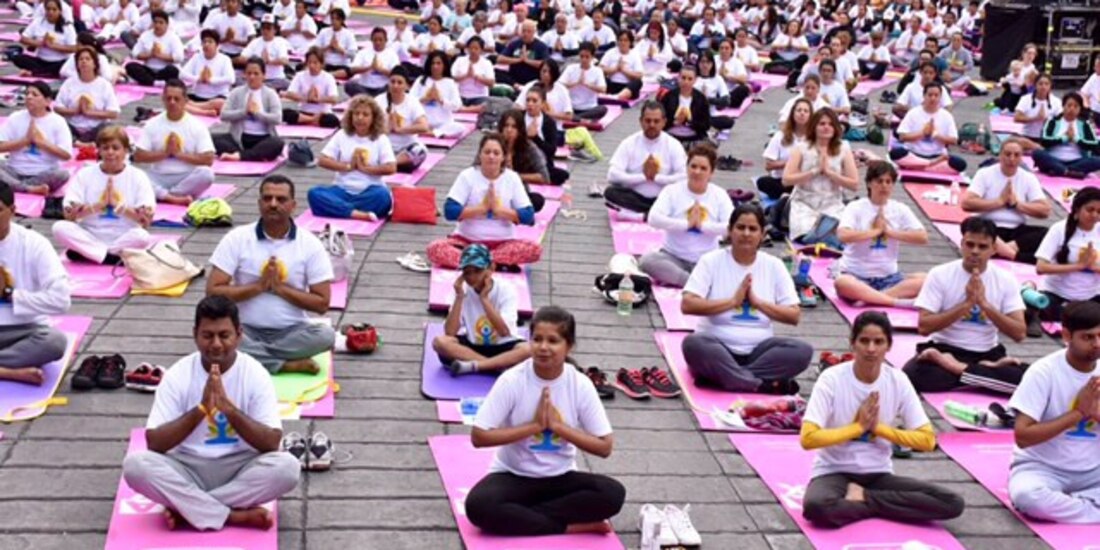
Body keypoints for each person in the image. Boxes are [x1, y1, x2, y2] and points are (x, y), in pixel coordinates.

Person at [121, 295, 300, 532]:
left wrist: (230, 410)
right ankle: (232, 516)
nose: (216, 344)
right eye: (207, 335)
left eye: (224, 335)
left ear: (239, 335)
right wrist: (201, 409)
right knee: (135, 466)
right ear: (195, 335)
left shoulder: (255, 374)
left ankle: (188, 509)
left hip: (240, 467)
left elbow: (271, 442)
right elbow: (155, 443)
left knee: (287, 468)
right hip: (187, 467)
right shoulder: (178, 374)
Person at [464, 305, 625, 536]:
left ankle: (521, 517)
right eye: (537, 339)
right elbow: (479, 437)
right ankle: (568, 526)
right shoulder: (512, 380)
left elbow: (604, 447)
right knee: (479, 507)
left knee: (612, 494)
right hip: (513, 475)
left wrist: (557, 427)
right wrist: (535, 426)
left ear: (569, 345)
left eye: (553, 341)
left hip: (561, 477)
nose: (543, 347)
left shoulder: (580, 384)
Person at [800, 311, 965, 528]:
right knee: (816, 506)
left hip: (878, 475)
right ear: (852, 343)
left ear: (888, 346)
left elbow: (927, 440)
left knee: (951, 502)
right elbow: (808, 438)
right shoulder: (831, 379)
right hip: (834, 471)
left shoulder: (897, 380)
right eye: (864, 341)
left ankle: (865, 499)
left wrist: (878, 429)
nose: (871, 349)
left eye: (878, 342)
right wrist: (858, 428)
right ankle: (884, 505)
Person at [207, 175, 336, 375]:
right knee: (214, 334)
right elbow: (212, 292)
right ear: (259, 203)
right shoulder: (237, 238)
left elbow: (322, 303)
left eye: (281, 199)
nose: (273, 204)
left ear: (293, 205)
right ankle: (284, 364)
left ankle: (252, 357)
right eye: (267, 199)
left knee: (326, 336)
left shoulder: (310, 244)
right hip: (244, 329)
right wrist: (258, 287)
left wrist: (279, 288)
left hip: (292, 331)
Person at [680, 202, 812, 394]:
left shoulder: (774, 265)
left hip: (759, 353)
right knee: (694, 344)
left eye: (753, 229)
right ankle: (759, 384)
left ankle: (726, 378)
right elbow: (687, 304)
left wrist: (758, 303)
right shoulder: (711, 261)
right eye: (740, 227)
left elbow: (794, 315)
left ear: (762, 234)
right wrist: (732, 302)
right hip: (718, 348)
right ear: (729, 231)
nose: (746, 233)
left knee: (801, 351)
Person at [902, 216, 1029, 394]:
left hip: (988, 353)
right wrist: (966, 304)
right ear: (961, 244)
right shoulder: (940, 274)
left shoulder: (1006, 280)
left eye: (982, 247)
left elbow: (1019, 333)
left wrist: (984, 304)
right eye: (970, 245)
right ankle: (984, 375)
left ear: (994, 249)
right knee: (914, 375)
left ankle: (958, 369)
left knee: (1028, 379)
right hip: (946, 348)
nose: (975, 251)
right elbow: (924, 327)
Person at [1008, 300, 1100, 524]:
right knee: (1028, 497)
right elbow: (1023, 437)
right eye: (1088, 337)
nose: (1097, 344)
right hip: (1043, 468)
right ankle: (1091, 508)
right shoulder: (1043, 372)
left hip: (1094, 471)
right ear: (1067, 336)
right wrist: (1078, 413)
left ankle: (1081, 506)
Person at [426, 133, 541, 269]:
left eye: (496, 153)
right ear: (480, 155)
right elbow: (449, 211)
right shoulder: (467, 176)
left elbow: (528, 215)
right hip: (466, 242)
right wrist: (482, 208)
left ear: (503, 157)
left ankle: (476, 261)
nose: (491, 156)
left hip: (503, 244)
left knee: (534, 249)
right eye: (487, 152)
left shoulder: (512, 178)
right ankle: (491, 262)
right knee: (435, 248)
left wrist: (499, 210)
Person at [52, 126, 155, 266]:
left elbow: (146, 221)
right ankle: (110, 257)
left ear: (126, 151)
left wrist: (119, 206)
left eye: (115, 148)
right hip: (90, 234)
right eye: (105, 148)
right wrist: (98, 206)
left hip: (123, 236)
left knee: (142, 237)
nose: (110, 152)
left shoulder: (138, 177)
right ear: (99, 150)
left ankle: (91, 253)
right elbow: (69, 216)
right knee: (59, 228)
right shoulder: (85, 174)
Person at [0, 182, 71, 386]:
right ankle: (8, 372)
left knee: (54, 342)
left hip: (24, 331)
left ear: (13, 211)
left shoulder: (34, 244)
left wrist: (9, 294)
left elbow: (61, 300)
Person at [835, 161, 929, 309]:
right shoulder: (856, 207)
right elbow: (843, 235)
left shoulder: (900, 209)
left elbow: (922, 237)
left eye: (888, 182)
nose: (884, 186)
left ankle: (870, 299)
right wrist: (875, 232)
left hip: (889, 278)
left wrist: (889, 232)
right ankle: (895, 301)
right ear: (869, 183)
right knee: (842, 283)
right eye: (879, 181)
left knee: (928, 280)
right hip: (857, 275)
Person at [640, 144, 734, 288]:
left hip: (706, 260)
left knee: (734, 270)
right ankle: (693, 283)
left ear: (711, 172)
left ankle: (691, 281)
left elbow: (731, 227)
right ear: (687, 167)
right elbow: (653, 219)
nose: (697, 172)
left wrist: (701, 226)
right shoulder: (672, 191)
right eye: (693, 166)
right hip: (673, 257)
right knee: (647, 261)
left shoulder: (719, 195)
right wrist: (687, 225)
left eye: (703, 168)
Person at [433, 244, 532, 375]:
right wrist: (459, 297)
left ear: (491, 268)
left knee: (528, 350)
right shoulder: (461, 290)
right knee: (440, 342)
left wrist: (484, 299)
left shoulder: (506, 289)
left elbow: (504, 331)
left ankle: (476, 366)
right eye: (467, 272)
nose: (472, 277)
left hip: (503, 345)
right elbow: (450, 332)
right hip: (473, 346)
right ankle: (493, 366)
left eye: (478, 271)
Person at [962, 138, 1052, 264]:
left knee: (1047, 233)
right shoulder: (984, 174)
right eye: (1008, 154)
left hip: (1016, 233)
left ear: (1021, 158)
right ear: (1000, 155)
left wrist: (1016, 204)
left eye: (1016, 155)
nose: (1012, 159)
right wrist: (999, 202)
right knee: (969, 224)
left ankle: (998, 250)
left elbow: (1045, 210)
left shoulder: (1028, 178)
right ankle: (1014, 255)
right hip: (989, 228)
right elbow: (966, 203)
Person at [312, 95, 397, 221]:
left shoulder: (381, 139)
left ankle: (341, 209)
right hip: (342, 190)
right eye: (356, 114)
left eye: (365, 114)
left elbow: (391, 167)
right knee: (315, 194)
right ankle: (357, 214)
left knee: (383, 197)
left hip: (370, 191)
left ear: (374, 118)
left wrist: (365, 169)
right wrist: (348, 167)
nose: (360, 118)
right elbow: (322, 160)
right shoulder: (342, 135)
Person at [133, 80, 216, 206]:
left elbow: (208, 159)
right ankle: (174, 197)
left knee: (207, 174)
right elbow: (138, 156)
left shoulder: (197, 125)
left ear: (185, 101)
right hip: (158, 175)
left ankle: (167, 195)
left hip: (186, 177)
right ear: (163, 99)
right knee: (135, 176)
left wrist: (178, 154)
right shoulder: (152, 124)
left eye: (176, 99)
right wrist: (165, 153)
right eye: (169, 98)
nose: (172, 102)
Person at [782, 107, 859, 245]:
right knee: (806, 235)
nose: (826, 127)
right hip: (804, 204)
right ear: (814, 126)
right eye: (822, 124)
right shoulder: (801, 147)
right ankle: (821, 232)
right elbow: (786, 180)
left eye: (830, 124)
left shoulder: (843, 148)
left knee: (844, 232)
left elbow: (854, 184)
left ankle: (825, 231)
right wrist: (814, 172)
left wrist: (830, 173)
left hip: (832, 204)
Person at [605, 102, 688, 219]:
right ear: (641, 121)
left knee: (686, 197)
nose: (652, 125)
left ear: (664, 122)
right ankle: (653, 215)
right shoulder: (629, 143)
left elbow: (684, 177)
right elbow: (612, 175)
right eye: (648, 121)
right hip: (636, 198)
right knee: (610, 192)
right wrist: (644, 177)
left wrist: (656, 178)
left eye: (656, 121)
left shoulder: (673, 144)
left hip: (663, 198)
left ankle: (640, 215)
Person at [1032, 187, 1100, 323]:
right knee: (1045, 308)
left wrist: (1093, 267)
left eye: (1099, 211)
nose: (1094, 215)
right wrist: (1078, 266)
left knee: (1084, 317)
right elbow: (1041, 267)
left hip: (1091, 296)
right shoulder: (1059, 229)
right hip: (1057, 294)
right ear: (1077, 209)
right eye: (1090, 210)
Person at [0, 82, 73, 197]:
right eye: (27, 94)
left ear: (47, 101)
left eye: (35, 94)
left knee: (62, 174)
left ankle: (14, 186)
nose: (29, 97)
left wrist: (41, 142)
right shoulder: (15, 117)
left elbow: (66, 155)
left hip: (42, 174)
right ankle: (29, 188)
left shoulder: (58, 121)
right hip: (14, 170)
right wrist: (25, 141)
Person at [213, 58, 286, 163]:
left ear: (264, 75)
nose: (252, 77)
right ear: (244, 75)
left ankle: (240, 155)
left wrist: (257, 113)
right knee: (210, 138)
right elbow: (223, 115)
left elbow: (277, 119)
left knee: (278, 143)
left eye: (256, 74)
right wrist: (244, 112)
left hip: (263, 138)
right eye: (249, 73)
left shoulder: (270, 94)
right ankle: (251, 155)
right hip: (239, 138)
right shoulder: (236, 92)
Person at [890, 84, 966, 174]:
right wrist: (922, 133)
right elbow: (902, 137)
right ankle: (930, 165)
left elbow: (954, 140)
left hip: (937, 156)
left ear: (940, 97)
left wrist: (935, 135)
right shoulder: (913, 113)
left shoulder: (947, 116)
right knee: (896, 153)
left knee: (960, 164)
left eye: (936, 95)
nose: (933, 98)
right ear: (924, 96)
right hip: (913, 155)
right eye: (930, 95)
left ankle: (918, 166)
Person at [53, 46, 120, 146]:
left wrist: (89, 112)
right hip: (73, 127)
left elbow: (114, 113)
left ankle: (80, 142)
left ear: (94, 64)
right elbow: (57, 108)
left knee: (110, 128)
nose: (84, 61)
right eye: (81, 59)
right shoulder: (69, 83)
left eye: (87, 59)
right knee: (57, 123)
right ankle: (78, 142)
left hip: (95, 128)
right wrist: (75, 111)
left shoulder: (104, 85)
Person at [1033, 92, 1100, 180]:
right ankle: (1068, 172)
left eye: (1075, 106)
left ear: (1080, 109)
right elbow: (1044, 141)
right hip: (1054, 158)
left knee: (1097, 160)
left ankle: (1059, 170)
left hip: (1077, 161)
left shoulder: (1085, 125)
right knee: (1037, 153)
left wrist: (1076, 139)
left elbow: (1094, 145)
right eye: (1069, 105)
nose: (1072, 109)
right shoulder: (1052, 122)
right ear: (1063, 106)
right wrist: (1064, 138)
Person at [757, 97, 811, 201]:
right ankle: (792, 196)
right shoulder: (780, 136)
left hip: (805, 180)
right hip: (783, 180)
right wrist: (792, 163)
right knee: (763, 182)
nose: (802, 113)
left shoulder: (814, 137)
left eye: (806, 111)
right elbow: (769, 165)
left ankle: (790, 196)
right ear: (793, 114)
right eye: (799, 110)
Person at [12, 0, 77, 78]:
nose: (50, 12)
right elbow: (23, 39)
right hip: (41, 60)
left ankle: (37, 72)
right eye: (48, 9)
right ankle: (42, 72)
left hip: (59, 61)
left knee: (65, 66)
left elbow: (73, 48)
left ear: (60, 11)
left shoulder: (67, 26)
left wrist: (53, 46)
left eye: (54, 10)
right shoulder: (38, 22)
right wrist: (41, 43)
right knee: (17, 58)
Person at [411, 51, 468, 138]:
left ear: (444, 66)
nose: (435, 66)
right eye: (433, 63)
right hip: (423, 121)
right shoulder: (421, 80)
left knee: (460, 128)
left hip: (443, 123)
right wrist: (424, 99)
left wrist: (440, 100)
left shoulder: (450, 82)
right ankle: (430, 132)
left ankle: (432, 133)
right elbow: (409, 101)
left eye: (438, 63)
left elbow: (457, 105)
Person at [179, 30, 235, 117]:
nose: (206, 44)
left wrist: (211, 80)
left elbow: (231, 79)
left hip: (217, 97)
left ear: (217, 45)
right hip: (198, 96)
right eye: (204, 42)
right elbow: (182, 74)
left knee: (221, 104)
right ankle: (204, 112)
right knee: (177, 101)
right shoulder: (197, 57)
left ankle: (195, 108)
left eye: (210, 42)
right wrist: (198, 79)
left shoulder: (225, 59)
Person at [281, 47, 340, 128]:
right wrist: (306, 98)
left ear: (321, 64)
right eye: (309, 62)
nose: (312, 66)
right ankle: (312, 119)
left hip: (322, 114)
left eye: (315, 63)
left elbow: (334, 99)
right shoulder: (300, 75)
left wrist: (317, 99)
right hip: (304, 112)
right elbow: (290, 93)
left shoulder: (328, 77)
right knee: (285, 113)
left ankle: (312, 120)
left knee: (332, 120)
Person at [125, 9, 186, 86]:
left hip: (165, 70)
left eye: (161, 23)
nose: (157, 25)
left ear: (167, 25)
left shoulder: (173, 37)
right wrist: (150, 54)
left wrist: (159, 55)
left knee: (173, 70)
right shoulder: (146, 35)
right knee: (130, 66)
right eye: (155, 22)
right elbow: (135, 53)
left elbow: (179, 57)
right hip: (149, 69)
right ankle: (154, 82)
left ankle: (150, 81)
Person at [240, 14, 291, 91]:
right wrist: (257, 61)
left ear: (275, 30)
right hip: (257, 80)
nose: (265, 31)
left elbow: (285, 61)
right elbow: (242, 58)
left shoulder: (280, 42)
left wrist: (270, 61)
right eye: (263, 28)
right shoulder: (255, 42)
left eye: (268, 28)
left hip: (276, 79)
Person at [560, 42, 609, 121]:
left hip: (589, 108)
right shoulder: (571, 68)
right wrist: (576, 83)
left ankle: (576, 118)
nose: (584, 59)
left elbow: (603, 89)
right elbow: (559, 85)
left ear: (592, 57)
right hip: (572, 107)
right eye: (581, 56)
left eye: (587, 57)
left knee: (603, 109)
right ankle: (578, 118)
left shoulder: (597, 71)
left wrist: (587, 84)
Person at [346, 27, 400, 98]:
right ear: (371, 40)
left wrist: (380, 69)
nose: (378, 42)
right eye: (375, 40)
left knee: (393, 87)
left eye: (380, 40)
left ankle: (370, 100)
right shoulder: (363, 52)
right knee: (349, 85)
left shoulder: (392, 55)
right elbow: (352, 70)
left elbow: (397, 74)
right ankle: (372, 99)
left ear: (386, 40)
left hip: (382, 88)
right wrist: (369, 67)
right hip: (364, 87)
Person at [1013, 74, 1061, 152]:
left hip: (1047, 137)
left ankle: (1039, 148)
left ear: (1050, 86)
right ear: (1035, 85)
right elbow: (1016, 118)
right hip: (1028, 136)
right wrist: (1035, 118)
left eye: (1046, 84)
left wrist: (1048, 120)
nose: (1043, 87)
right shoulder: (1025, 99)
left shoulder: (1056, 101)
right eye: (1040, 84)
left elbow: (1061, 121)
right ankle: (1039, 148)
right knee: (1013, 142)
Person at [498, 20, 549, 86]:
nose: (525, 34)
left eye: (529, 31)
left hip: (532, 80)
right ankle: (515, 85)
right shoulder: (514, 44)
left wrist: (527, 60)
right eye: (523, 31)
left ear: (534, 32)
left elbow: (544, 64)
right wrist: (518, 60)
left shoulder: (541, 46)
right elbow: (500, 59)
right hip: (514, 78)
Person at [451, 36, 496, 107]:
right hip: (461, 95)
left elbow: (491, 83)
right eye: (471, 48)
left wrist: (475, 76)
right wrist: (466, 75)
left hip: (480, 97)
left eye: (476, 48)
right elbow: (451, 78)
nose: (473, 51)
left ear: (481, 50)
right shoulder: (460, 60)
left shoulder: (487, 63)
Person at [599, 30, 644, 102]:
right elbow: (600, 68)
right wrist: (615, 69)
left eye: (625, 40)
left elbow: (639, 75)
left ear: (630, 42)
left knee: (638, 82)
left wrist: (624, 70)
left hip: (627, 87)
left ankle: (619, 96)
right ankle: (609, 96)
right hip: (612, 84)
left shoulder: (635, 55)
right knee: (601, 79)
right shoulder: (610, 52)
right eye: (620, 40)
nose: (623, 43)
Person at [313, 8, 356, 79]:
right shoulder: (324, 31)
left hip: (341, 66)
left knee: (350, 71)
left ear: (342, 20)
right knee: (304, 66)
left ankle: (328, 75)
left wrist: (339, 49)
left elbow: (353, 54)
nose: (334, 21)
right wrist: (328, 47)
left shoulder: (349, 34)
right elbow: (315, 50)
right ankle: (326, 74)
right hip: (326, 64)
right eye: (332, 19)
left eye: (337, 19)